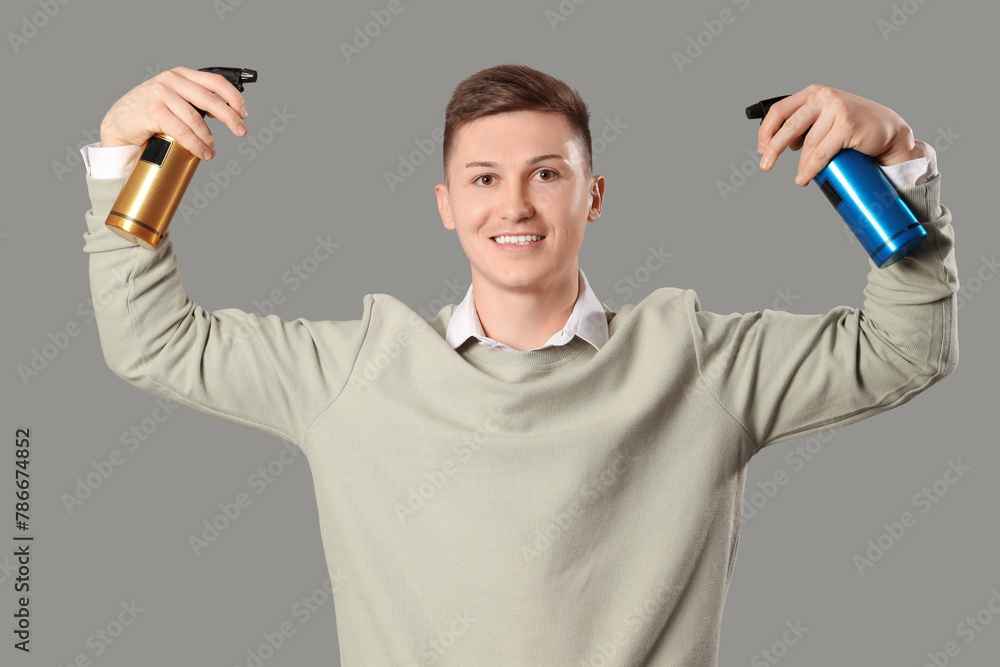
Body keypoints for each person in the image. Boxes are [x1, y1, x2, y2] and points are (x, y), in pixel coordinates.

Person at [81, 64, 957, 666]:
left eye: (547, 172)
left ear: (594, 194)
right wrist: (126, 156)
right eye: (485, 179)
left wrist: (900, 160)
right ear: (447, 204)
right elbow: (152, 338)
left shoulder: (697, 364)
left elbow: (902, 347)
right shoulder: (354, 371)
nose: (516, 204)